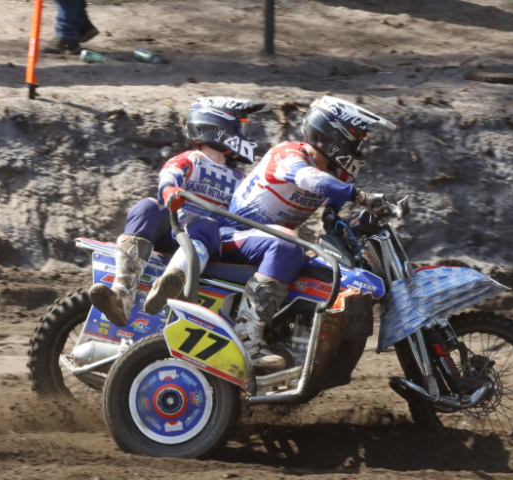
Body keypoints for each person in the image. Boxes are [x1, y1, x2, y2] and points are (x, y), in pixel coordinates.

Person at [220, 96, 397, 371]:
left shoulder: (338, 174)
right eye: (356, 140)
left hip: (270, 246)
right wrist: (361, 197)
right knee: (289, 245)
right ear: (333, 136)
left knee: (328, 269)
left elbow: (333, 208)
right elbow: (308, 179)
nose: (359, 148)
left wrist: (349, 221)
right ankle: (247, 336)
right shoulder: (288, 153)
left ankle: (299, 348)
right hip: (235, 236)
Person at [88, 97, 271, 328]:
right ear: (221, 128)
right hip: (175, 229)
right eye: (240, 125)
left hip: (207, 239)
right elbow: (170, 174)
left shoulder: (241, 179)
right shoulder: (191, 159)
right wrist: (170, 191)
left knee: (205, 224)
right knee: (147, 207)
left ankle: (171, 282)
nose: (243, 133)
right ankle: (121, 294)